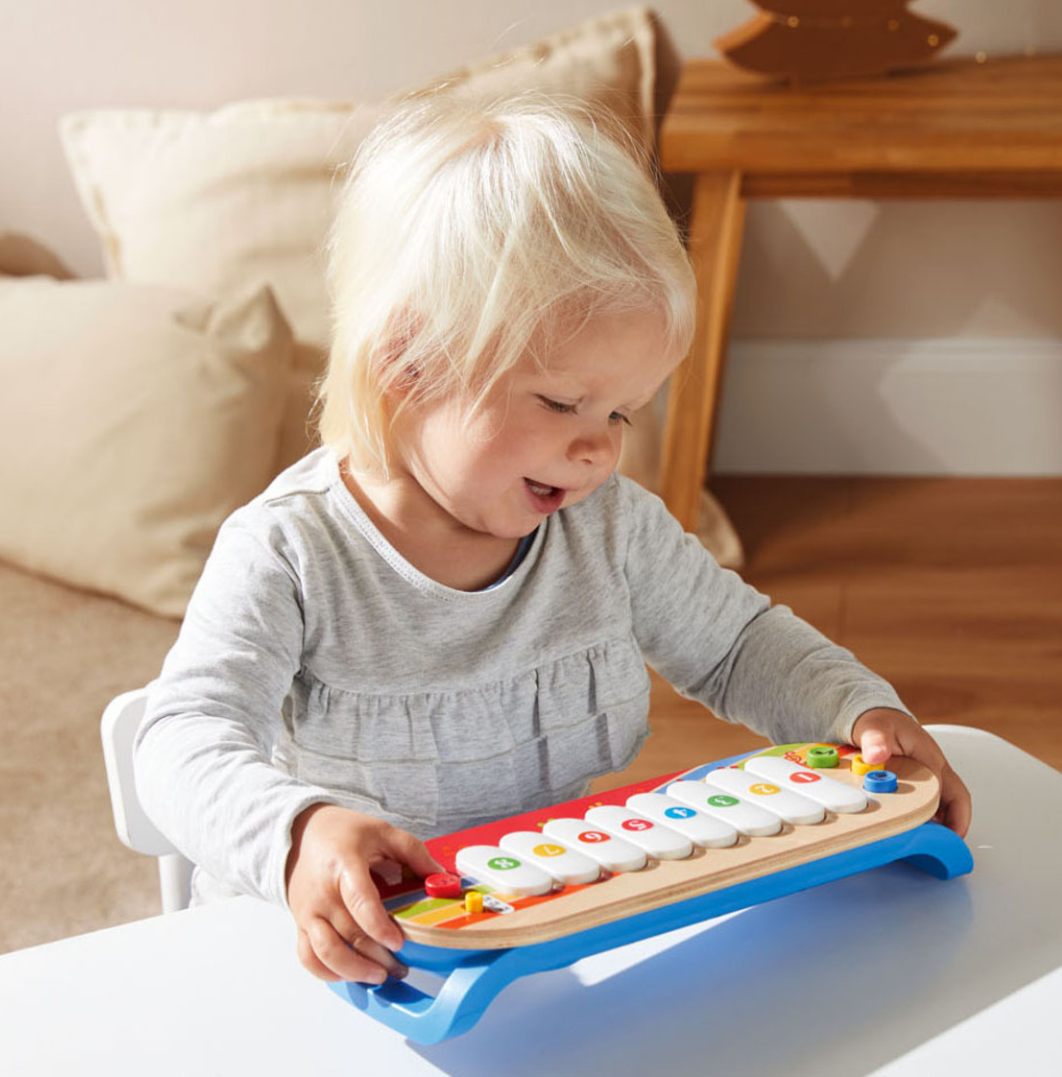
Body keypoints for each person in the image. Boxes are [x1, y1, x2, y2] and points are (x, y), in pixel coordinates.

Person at [135, 92, 971, 989]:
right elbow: (182, 739)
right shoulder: (289, 553)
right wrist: (297, 833)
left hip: (523, 942)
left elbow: (737, 646)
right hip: (324, 954)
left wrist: (857, 709)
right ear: (410, 364)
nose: (599, 445)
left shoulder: (607, 529)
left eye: (621, 410)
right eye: (563, 402)